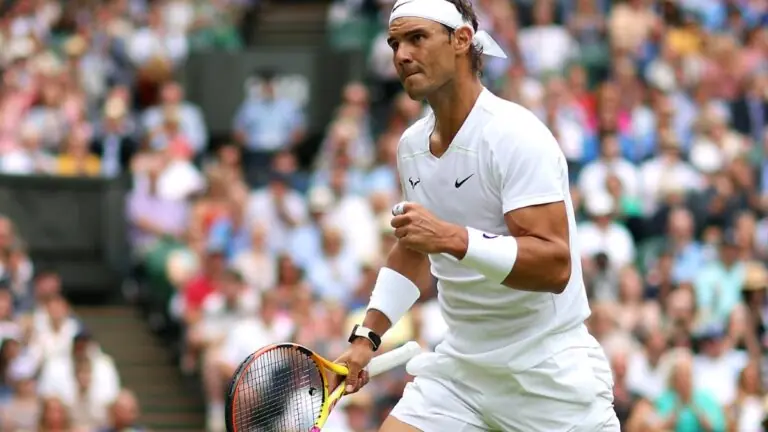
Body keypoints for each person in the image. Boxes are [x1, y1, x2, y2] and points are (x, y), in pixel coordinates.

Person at [333, 0, 619, 431]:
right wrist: (366, 338)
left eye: (417, 38)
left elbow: (554, 265)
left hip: (548, 376)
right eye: (394, 43)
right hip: (460, 370)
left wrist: (452, 239)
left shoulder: (515, 135)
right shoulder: (411, 146)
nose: (401, 55)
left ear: (462, 41)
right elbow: (414, 251)